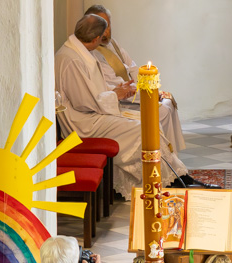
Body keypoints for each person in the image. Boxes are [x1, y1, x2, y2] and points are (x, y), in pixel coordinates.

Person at [55, 14, 204, 198]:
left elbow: (91, 90)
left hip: (94, 114)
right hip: (83, 123)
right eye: (101, 38)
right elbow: (84, 102)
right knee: (143, 129)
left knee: (150, 125)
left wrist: (116, 90)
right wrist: (115, 95)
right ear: (95, 39)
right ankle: (166, 180)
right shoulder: (72, 59)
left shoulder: (79, 52)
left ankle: (174, 177)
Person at [84, 4, 186, 153]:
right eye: (102, 27)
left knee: (168, 103)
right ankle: (159, 156)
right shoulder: (93, 53)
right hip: (122, 101)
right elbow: (116, 85)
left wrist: (148, 88)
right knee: (162, 111)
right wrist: (147, 95)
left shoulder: (113, 44)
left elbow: (132, 68)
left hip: (133, 94)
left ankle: (172, 155)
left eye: (108, 25)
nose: (106, 31)